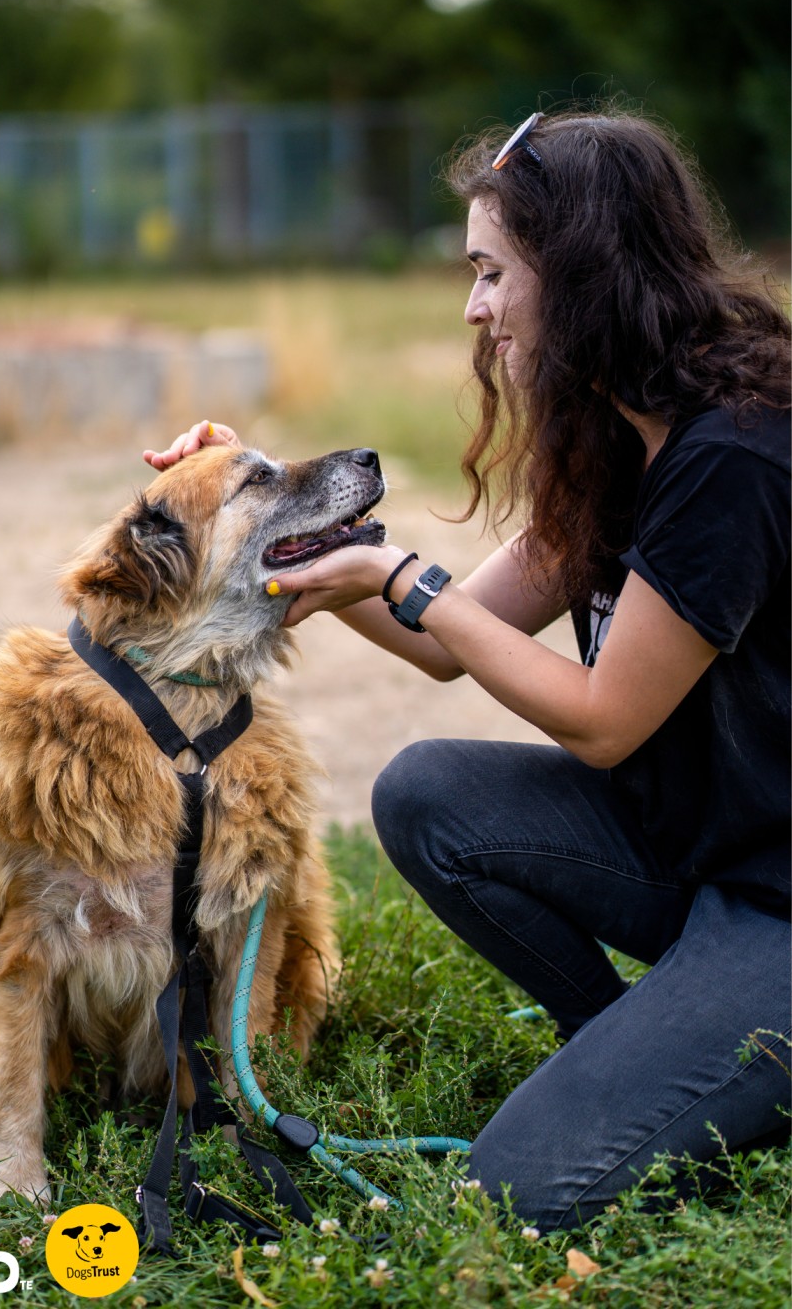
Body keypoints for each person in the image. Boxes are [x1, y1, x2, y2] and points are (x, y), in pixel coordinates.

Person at [144, 107, 791, 1231]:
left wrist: (400, 576)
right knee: (428, 792)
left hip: (780, 903)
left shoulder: (730, 455)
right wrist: (274, 528)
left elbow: (600, 722)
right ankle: (643, 1056)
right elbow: (447, 642)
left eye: (492, 274)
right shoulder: (614, 435)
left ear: (581, 272)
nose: (473, 308)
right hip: (708, 855)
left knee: (516, 1193)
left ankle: (709, 1078)